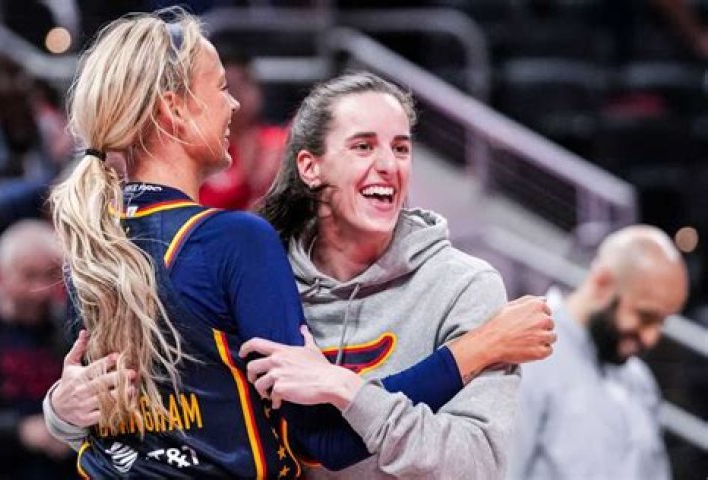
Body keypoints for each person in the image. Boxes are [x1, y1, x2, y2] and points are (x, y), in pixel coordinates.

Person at [43, 9, 555, 479]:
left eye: (402, 147)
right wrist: (476, 348)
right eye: (220, 87)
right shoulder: (236, 242)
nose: (234, 103)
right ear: (174, 109)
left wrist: (58, 413)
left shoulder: (93, 244)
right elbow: (324, 439)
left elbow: (112, 423)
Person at [506, 225, 689, 480]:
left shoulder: (641, 382)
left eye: (662, 322)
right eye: (645, 316)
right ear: (602, 283)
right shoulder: (530, 357)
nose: (651, 337)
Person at [0, 219, 73, 479]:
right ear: (1, 273)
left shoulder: (69, 326)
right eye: (28, 276)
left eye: (51, 275)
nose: (40, 290)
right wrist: (20, 431)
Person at [199, 45, 287, 210]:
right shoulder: (203, 153)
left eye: (248, 82)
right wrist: (246, 179)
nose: (244, 95)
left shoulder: (280, 143)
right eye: (232, 88)